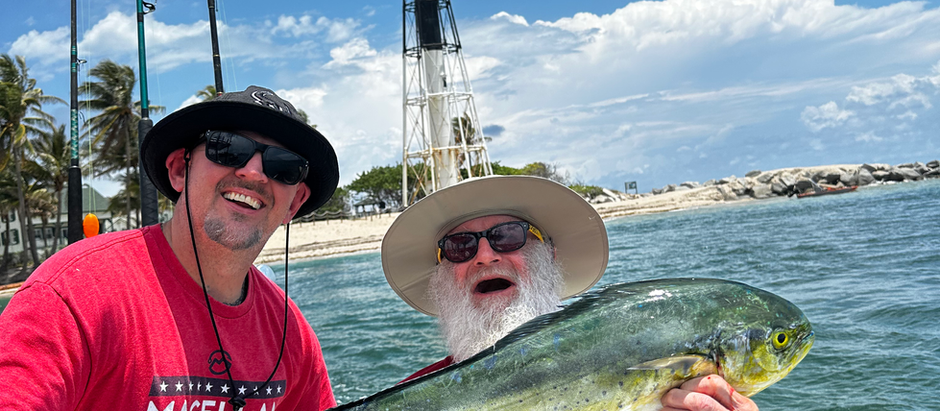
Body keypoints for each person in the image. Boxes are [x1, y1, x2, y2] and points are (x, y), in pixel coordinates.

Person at [0, 86, 339, 411]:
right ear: (180, 169)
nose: (254, 172)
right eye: (228, 147)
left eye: (284, 166)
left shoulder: (292, 333)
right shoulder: (72, 295)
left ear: (295, 203)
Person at [381, 175, 759, 411]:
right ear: (442, 277)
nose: (485, 255)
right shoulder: (408, 397)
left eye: (508, 236)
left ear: (550, 255)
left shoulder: (665, 382)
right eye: (459, 247)